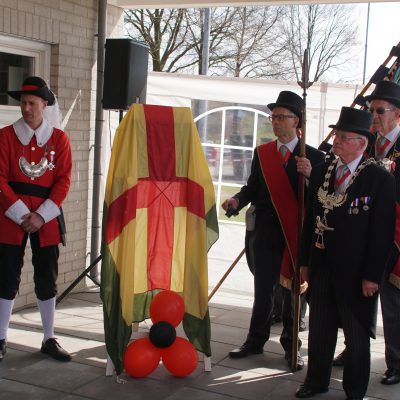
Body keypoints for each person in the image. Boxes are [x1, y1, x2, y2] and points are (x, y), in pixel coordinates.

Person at [295, 107, 396, 399]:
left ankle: (354, 390)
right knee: (320, 328)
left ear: (362, 143)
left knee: (356, 334)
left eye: (343, 137)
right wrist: (304, 262)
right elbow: (310, 220)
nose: (336, 141)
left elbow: (382, 234)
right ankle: (316, 381)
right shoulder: (323, 171)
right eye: (337, 135)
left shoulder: (378, 178)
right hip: (321, 265)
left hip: (356, 273)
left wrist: (372, 276)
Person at [222, 91, 324, 370]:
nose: (276, 122)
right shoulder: (263, 153)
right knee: (263, 288)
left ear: (296, 121)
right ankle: (255, 340)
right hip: (265, 231)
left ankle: (292, 346)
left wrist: (310, 176)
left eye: (281, 117)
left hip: (295, 233)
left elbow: (321, 199)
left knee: (293, 291)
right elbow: (252, 187)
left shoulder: (314, 156)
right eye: (274, 117)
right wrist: (237, 201)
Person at [0, 76, 72, 362]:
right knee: (6, 275)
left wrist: (42, 215)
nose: (26, 108)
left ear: (44, 104)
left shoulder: (59, 139)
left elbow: (64, 180)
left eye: (32, 103)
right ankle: (1, 337)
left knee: (47, 276)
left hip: (46, 217)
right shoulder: (5, 136)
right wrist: (20, 213)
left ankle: (48, 337)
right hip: (10, 215)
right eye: (23, 103)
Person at [333, 81, 400, 385]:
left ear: (397, 114)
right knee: (358, 297)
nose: (373, 116)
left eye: (380, 110)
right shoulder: (366, 143)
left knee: (392, 303)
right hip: (362, 232)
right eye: (371, 110)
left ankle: (396, 362)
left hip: (395, 235)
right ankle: (353, 348)